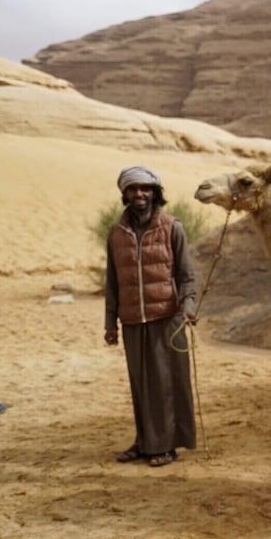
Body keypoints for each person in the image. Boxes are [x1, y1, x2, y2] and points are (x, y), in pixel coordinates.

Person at [104, 166, 197, 467]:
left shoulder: (172, 227)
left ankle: (166, 445)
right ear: (125, 194)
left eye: (145, 188)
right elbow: (112, 281)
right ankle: (145, 442)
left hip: (166, 318)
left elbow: (186, 275)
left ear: (156, 193)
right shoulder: (116, 233)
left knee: (166, 383)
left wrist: (188, 306)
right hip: (132, 321)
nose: (139, 194)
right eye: (132, 189)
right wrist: (110, 324)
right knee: (141, 384)